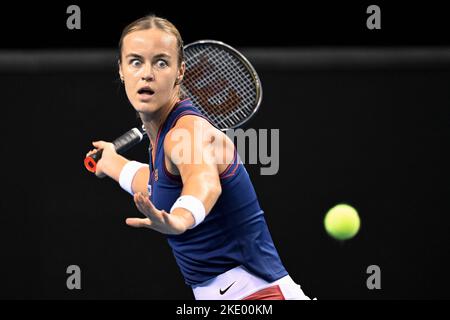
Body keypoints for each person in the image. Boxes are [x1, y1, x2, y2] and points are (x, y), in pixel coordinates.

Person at [85, 15, 311, 300]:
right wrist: (113, 162)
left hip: (258, 295)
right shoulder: (163, 136)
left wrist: (179, 219)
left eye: (161, 62)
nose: (147, 73)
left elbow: (204, 183)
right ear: (121, 70)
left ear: (180, 72)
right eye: (136, 61)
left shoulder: (185, 132)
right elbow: (159, 185)